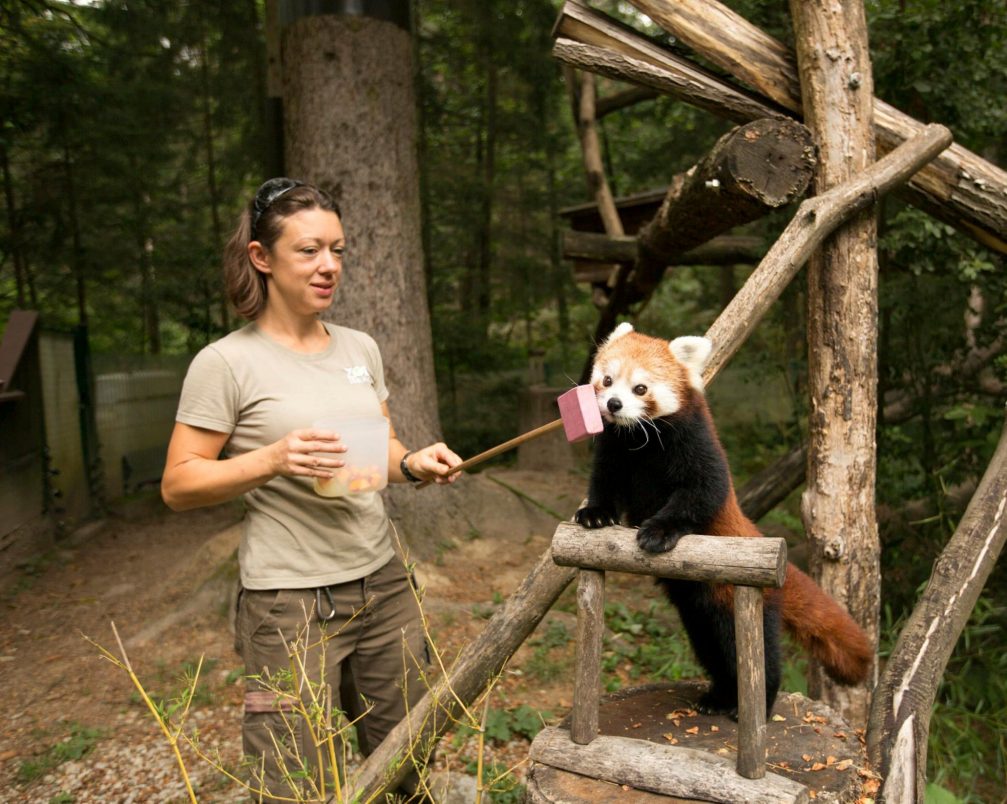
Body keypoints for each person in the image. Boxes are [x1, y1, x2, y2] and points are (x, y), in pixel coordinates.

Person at [161, 177, 462, 802]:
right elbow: (179, 483)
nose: (329, 266)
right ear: (261, 258)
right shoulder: (225, 363)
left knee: (404, 749)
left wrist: (414, 463)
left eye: (338, 250)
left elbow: (378, 449)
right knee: (292, 774)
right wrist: (272, 458)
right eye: (309, 250)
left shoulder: (360, 348)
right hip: (288, 602)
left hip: (383, 583)